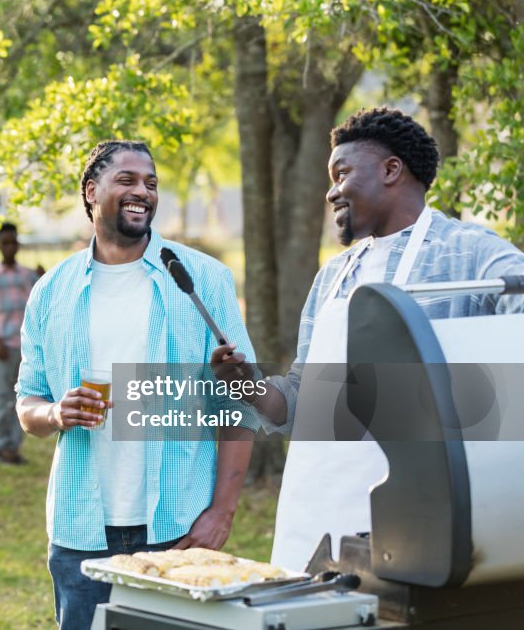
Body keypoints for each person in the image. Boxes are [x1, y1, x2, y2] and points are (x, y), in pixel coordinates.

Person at [211, 107, 524, 572]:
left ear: (391, 170)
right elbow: (299, 400)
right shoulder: (333, 275)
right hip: (315, 510)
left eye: (342, 173)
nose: (331, 190)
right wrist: (247, 384)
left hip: (419, 506)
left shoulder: (467, 250)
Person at [16, 140, 260, 630]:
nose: (142, 192)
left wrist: (222, 511)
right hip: (79, 528)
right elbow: (28, 403)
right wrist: (56, 413)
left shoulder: (202, 279)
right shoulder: (51, 291)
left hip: (176, 525)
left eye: (150, 183)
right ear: (91, 191)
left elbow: (243, 401)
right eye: (126, 180)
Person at [0, 222, 42, 465]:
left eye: (13, 242)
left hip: (25, 346)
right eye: (5, 243)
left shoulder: (27, 275)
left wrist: (43, 275)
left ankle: (13, 446)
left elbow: (40, 304)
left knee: (23, 396)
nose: (9, 247)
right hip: (4, 346)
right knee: (3, 396)